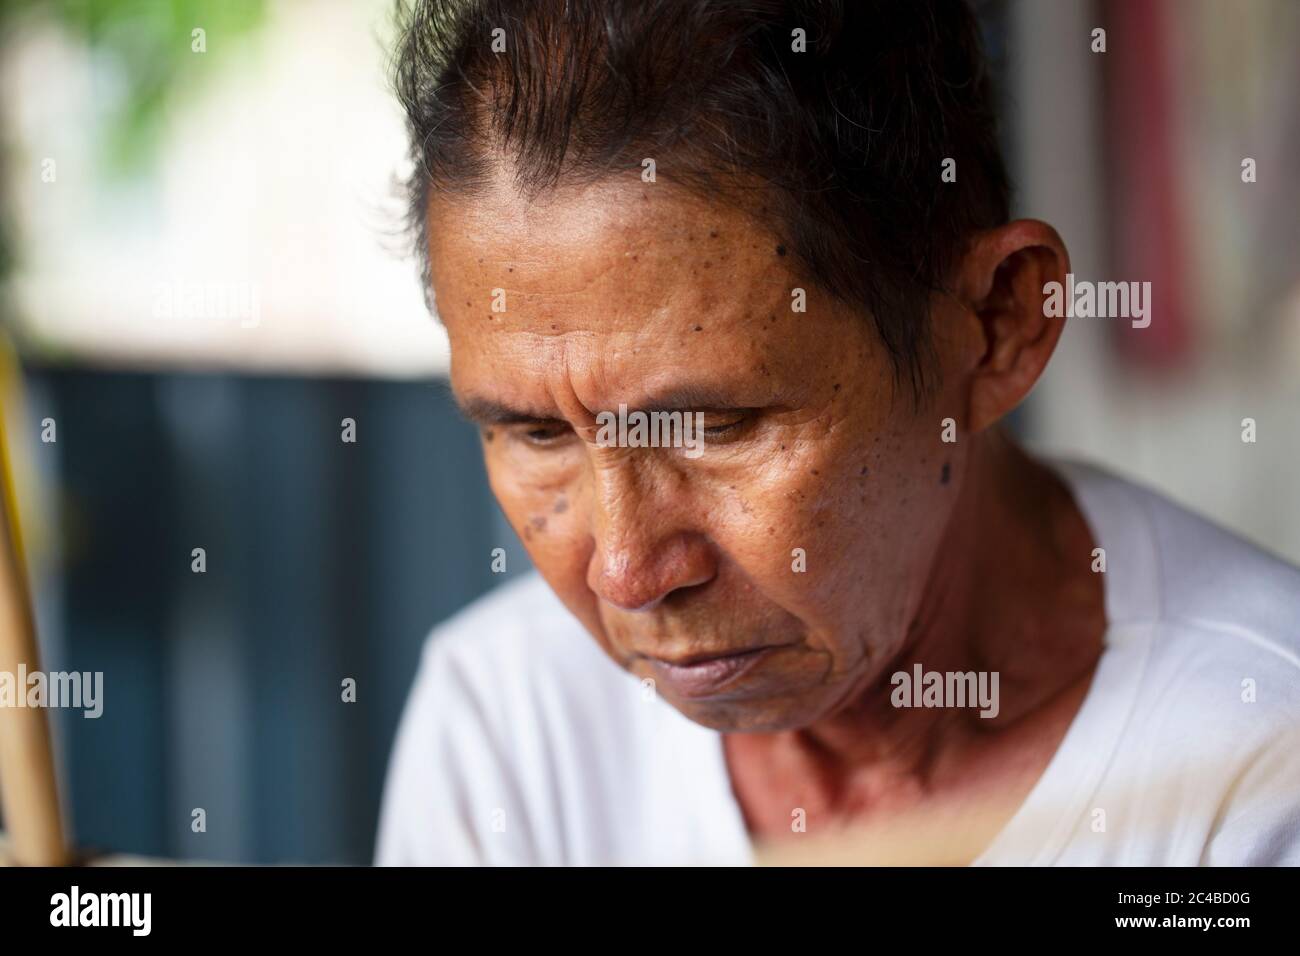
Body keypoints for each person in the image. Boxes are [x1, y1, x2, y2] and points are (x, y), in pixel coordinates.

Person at [375, 0, 1300, 865]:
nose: (627, 571)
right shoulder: (509, 726)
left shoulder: (1260, 760)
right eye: (538, 433)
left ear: (994, 324)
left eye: (713, 425)